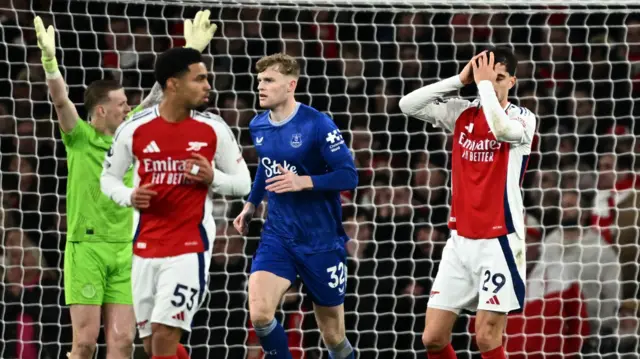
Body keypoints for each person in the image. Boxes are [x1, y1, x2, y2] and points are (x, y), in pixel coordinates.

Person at [34, 11, 217, 359]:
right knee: (84, 345)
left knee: (122, 343)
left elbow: (158, 96)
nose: (128, 107)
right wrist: (50, 62)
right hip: (86, 248)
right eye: (121, 104)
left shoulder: (132, 129)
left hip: (127, 248)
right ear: (101, 111)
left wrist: (189, 52)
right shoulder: (80, 137)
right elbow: (60, 100)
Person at [100, 46, 251, 359]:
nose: (208, 85)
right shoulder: (134, 128)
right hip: (144, 247)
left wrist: (214, 179)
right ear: (173, 84)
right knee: (152, 343)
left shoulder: (214, 129)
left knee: (166, 335)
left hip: (188, 248)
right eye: (199, 79)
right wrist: (129, 196)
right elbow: (108, 179)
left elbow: (244, 183)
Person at [399, 47, 537, 359]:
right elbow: (407, 104)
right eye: (485, 77)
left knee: (487, 337)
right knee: (432, 337)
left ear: (512, 81)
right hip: (460, 240)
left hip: (500, 240)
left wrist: (485, 86)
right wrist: (460, 79)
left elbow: (501, 130)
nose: (490, 82)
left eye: (499, 77)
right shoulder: (462, 113)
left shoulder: (523, 118)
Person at [233, 53, 358, 359]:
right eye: (259, 80)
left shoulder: (317, 124)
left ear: (291, 85)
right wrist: (251, 204)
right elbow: (266, 165)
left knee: (334, 337)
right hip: (279, 236)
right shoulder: (257, 125)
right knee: (260, 314)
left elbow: (349, 175)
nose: (260, 86)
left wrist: (306, 181)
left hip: (321, 241)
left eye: (269, 80)